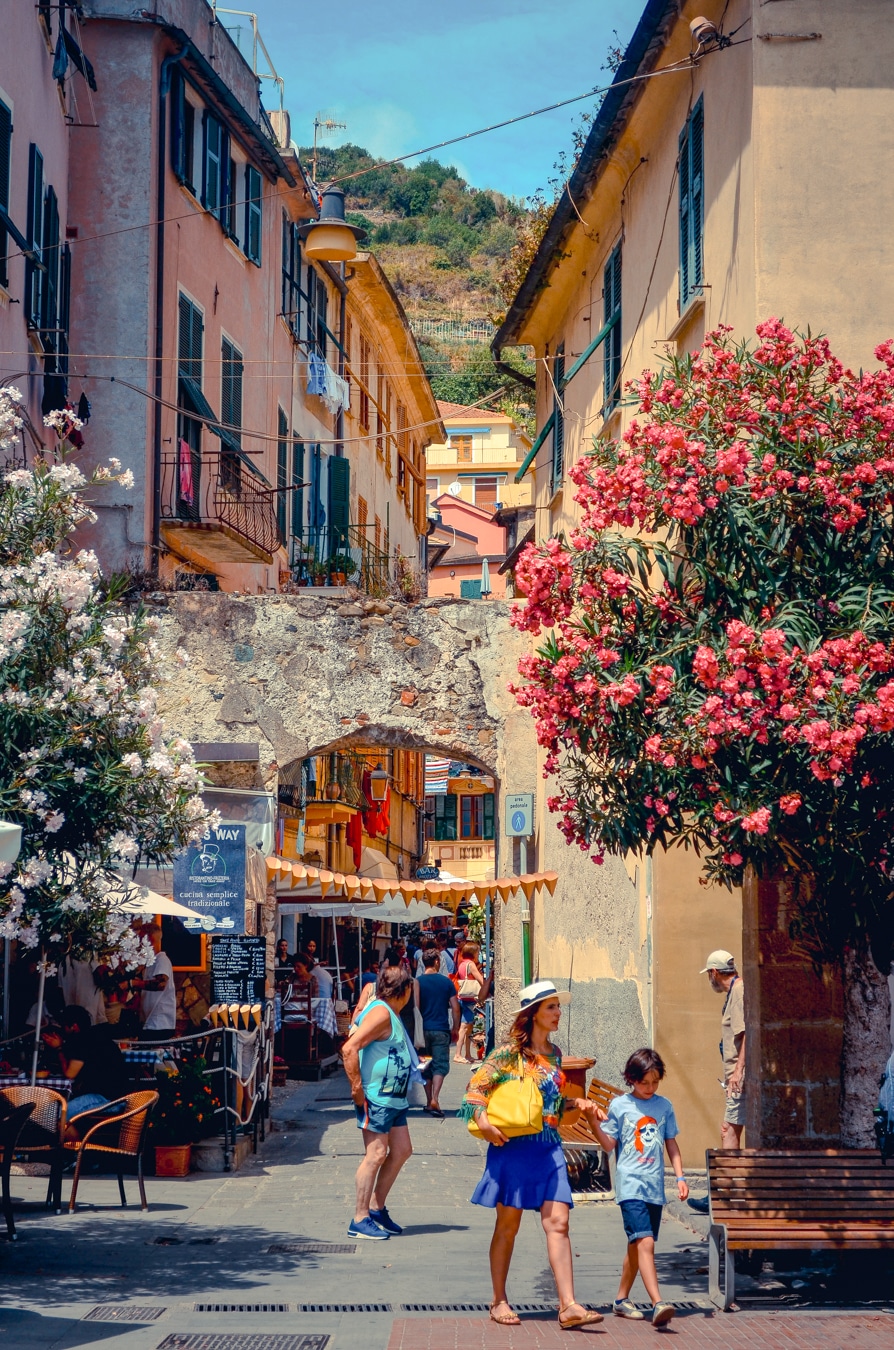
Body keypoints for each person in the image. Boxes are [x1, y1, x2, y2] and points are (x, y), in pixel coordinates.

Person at [460, 980, 603, 1329]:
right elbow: (474, 1092)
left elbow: (551, 1106)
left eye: (558, 1006)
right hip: (512, 1148)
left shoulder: (555, 1054)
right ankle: (498, 1300)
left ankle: (568, 1305)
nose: (558, 1013)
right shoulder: (507, 1053)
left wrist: (578, 1103)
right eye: (551, 1007)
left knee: (559, 1223)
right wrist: (485, 1124)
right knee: (508, 1226)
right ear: (533, 1014)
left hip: (548, 1147)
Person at [589, 1047, 688, 1328]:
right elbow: (608, 1144)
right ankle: (658, 1302)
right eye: (644, 1082)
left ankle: (621, 1300)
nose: (650, 1088)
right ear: (631, 1079)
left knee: (636, 1245)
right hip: (630, 1186)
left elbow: (671, 1143)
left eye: (655, 1082)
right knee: (646, 1242)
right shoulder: (620, 1106)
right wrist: (593, 1122)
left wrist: (680, 1177)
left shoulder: (664, 1106)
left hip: (654, 1188)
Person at [342, 965, 415, 1241]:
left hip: (393, 1098)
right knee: (375, 1154)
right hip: (377, 1097)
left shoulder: (390, 1013)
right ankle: (359, 1218)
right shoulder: (381, 1012)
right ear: (404, 990)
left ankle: (376, 1207)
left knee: (402, 1150)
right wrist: (357, 1089)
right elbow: (349, 1048)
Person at [689, 948, 746, 1214]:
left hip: (739, 1077)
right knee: (729, 1129)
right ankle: (723, 1192)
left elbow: (746, 1033)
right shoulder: (736, 990)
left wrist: (738, 1071)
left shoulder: (738, 992)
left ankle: (723, 1195)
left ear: (713, 972)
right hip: (736, 1076)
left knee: (728, 1131)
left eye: (708, 975)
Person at [42, 1005, 130, 1133]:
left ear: (74, 1026)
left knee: (55, 1116)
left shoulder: (83, 1041)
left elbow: (70, 1074)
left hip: (108, 1100)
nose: (62, 1030)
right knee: (57, 1114)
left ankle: (77, 1145)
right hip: (116, 1096)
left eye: (64, 1026)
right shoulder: (94, 1036)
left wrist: (58, 1048)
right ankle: (75, 1143)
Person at [415, 948, 460, 1117]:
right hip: (441, 1029)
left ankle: (428, 1101)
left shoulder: (417, 982)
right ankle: (435, 1098)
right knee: (440, 1065)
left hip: (423, 1031)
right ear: (436, 962)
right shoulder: (446, 982)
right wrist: (455, 1027)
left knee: (425, 1065)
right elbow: (455, 1007)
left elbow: (415, 1007)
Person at [134, 923, 176, 1041]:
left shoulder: (162, 960)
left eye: (141, 939)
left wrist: (134, 983)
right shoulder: (151, 962)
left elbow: (160, 984)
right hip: (149, 1022)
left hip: (159, 1024)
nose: (139, 944)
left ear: (150, 940)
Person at [454, 941, 485, 1065]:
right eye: (478, 952)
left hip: (463, 997)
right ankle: (458, 1054)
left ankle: (467, 1054)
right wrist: (488, 987)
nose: (478, 954)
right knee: (464, 1026)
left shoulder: (462, 964)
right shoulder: (471, 964)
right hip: (470, 999)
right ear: (473, 952)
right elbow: (480, 979)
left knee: (469, 1027)